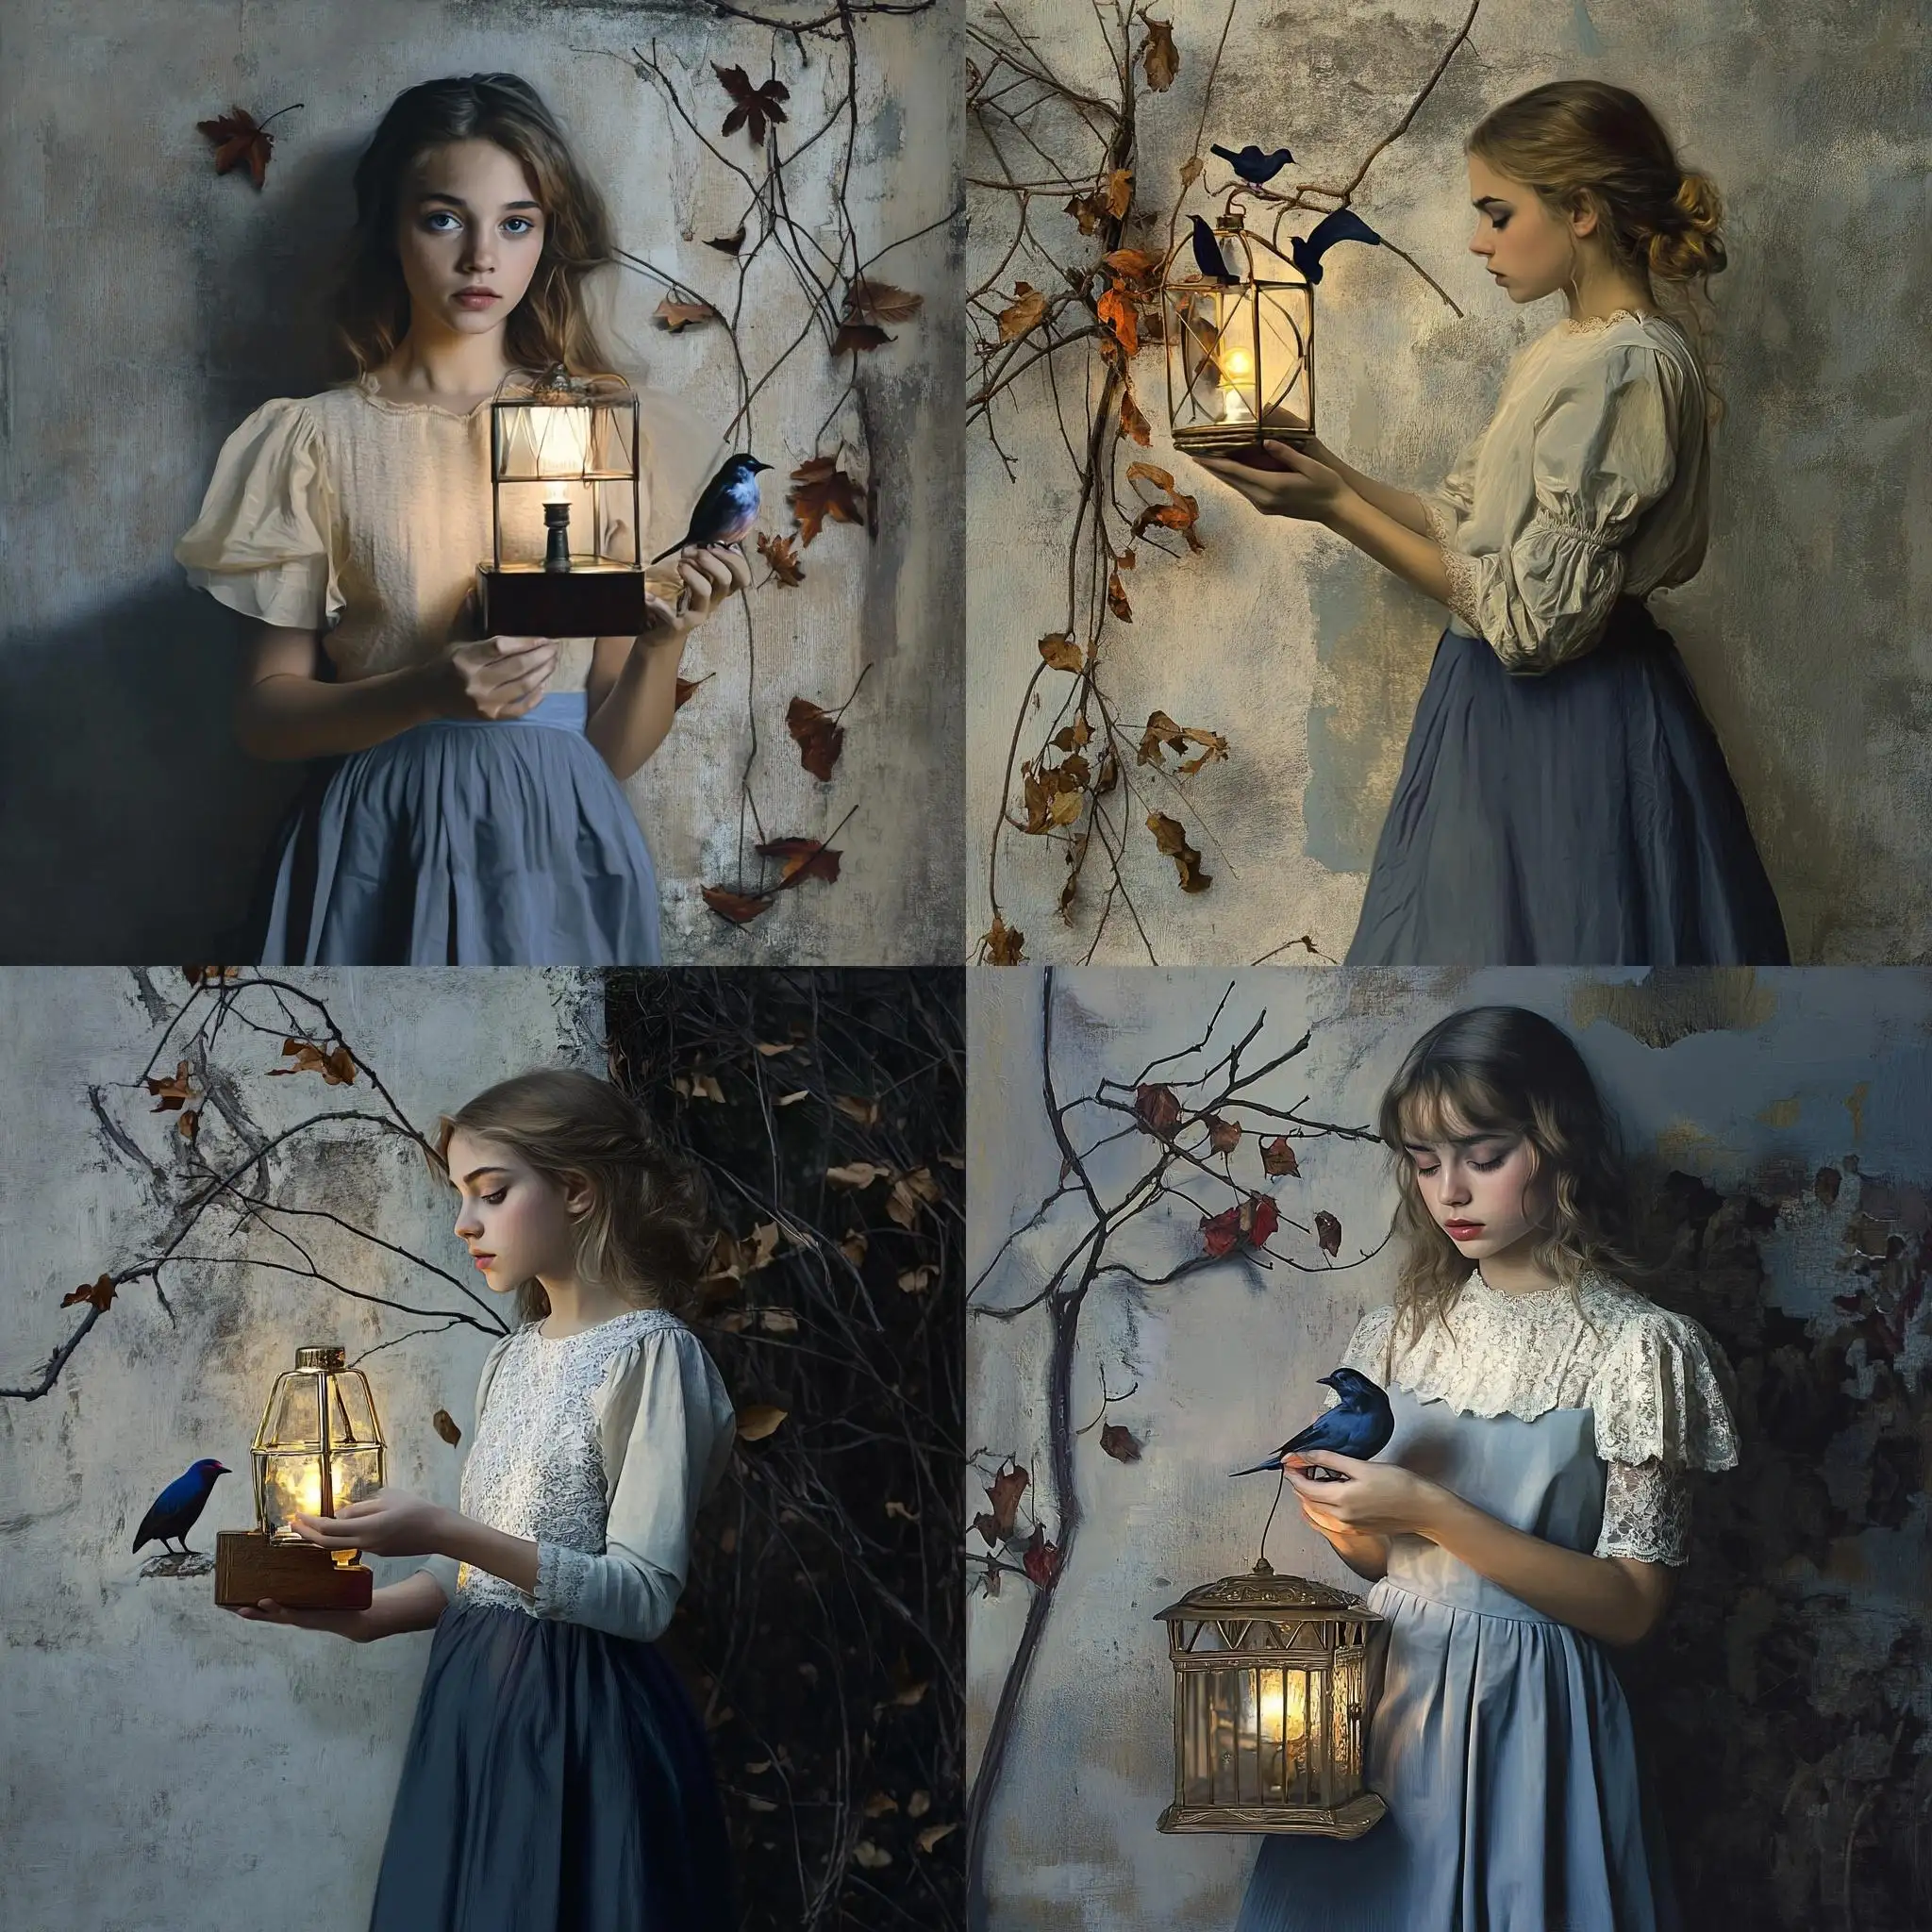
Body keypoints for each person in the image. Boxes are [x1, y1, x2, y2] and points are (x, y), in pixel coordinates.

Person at [1198, 80, 1789, 966]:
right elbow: (1470, 524)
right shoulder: (1570, 348)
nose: (1477, 242)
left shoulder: (1625, 367)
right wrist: (1323, 465)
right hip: (1499, 719)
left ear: (1581, 210)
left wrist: (1335, 511)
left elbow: (1529, 623)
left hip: (1571, 733)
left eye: (1496, 213)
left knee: (1564, 963)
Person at [175, 75, 750, 965]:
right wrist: (427, 691)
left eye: (516, 224)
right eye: (444, 218)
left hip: (563, 842)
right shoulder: (313, 439)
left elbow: (610, 748)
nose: (483, 256)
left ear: (545, 241)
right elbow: (263, 718)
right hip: (379, 839)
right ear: (389, 230)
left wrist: (664, 643)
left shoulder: (591, 435)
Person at [1235, 1005, 1740, 1932]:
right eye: (1424, 1162)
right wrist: (1350, 1526)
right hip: (1380, 1700)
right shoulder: (1397, 1333)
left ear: (1559, 1146)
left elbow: (1630, 1607)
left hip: (1528, 1720)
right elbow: (1388, 1568)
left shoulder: (1639, 1347)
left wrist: (1424, 1506)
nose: (1448, 1190)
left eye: (1481, 1152)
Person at [225, 1069, 738, 1931]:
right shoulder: (513, 1359)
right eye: (462, 1195)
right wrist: (363, 1615)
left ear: (576, 1191)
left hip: (583, 1729)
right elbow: (481, 1577)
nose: (465, 1222)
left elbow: (644, 1595)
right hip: (470, 1710)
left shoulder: (654, 1359)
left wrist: (442, 1526)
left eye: (491, 1194)